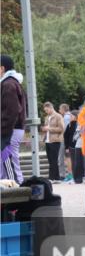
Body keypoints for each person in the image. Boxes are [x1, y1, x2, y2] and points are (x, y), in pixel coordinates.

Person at [0, 55, 26, 183]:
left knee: (8, 160)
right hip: (12, 128)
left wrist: (3, 130)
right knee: (7, 161)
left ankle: (16, 187)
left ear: (2, 68)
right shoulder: (11, 83)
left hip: (10, 129)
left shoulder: (8, 84)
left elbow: (12, 110)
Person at [39, 101, 65, 181]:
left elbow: (61, 129)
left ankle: (51, 178)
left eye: (47, 110)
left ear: (51, 108)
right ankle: (56, 178)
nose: (46, 112)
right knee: (50, 160)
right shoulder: (47, 117)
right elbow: (46, 128)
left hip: (55, 140)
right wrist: (44, 129)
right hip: (47, 141)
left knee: (54, 160)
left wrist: (49, 129)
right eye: (45, 110)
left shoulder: (58, 116)